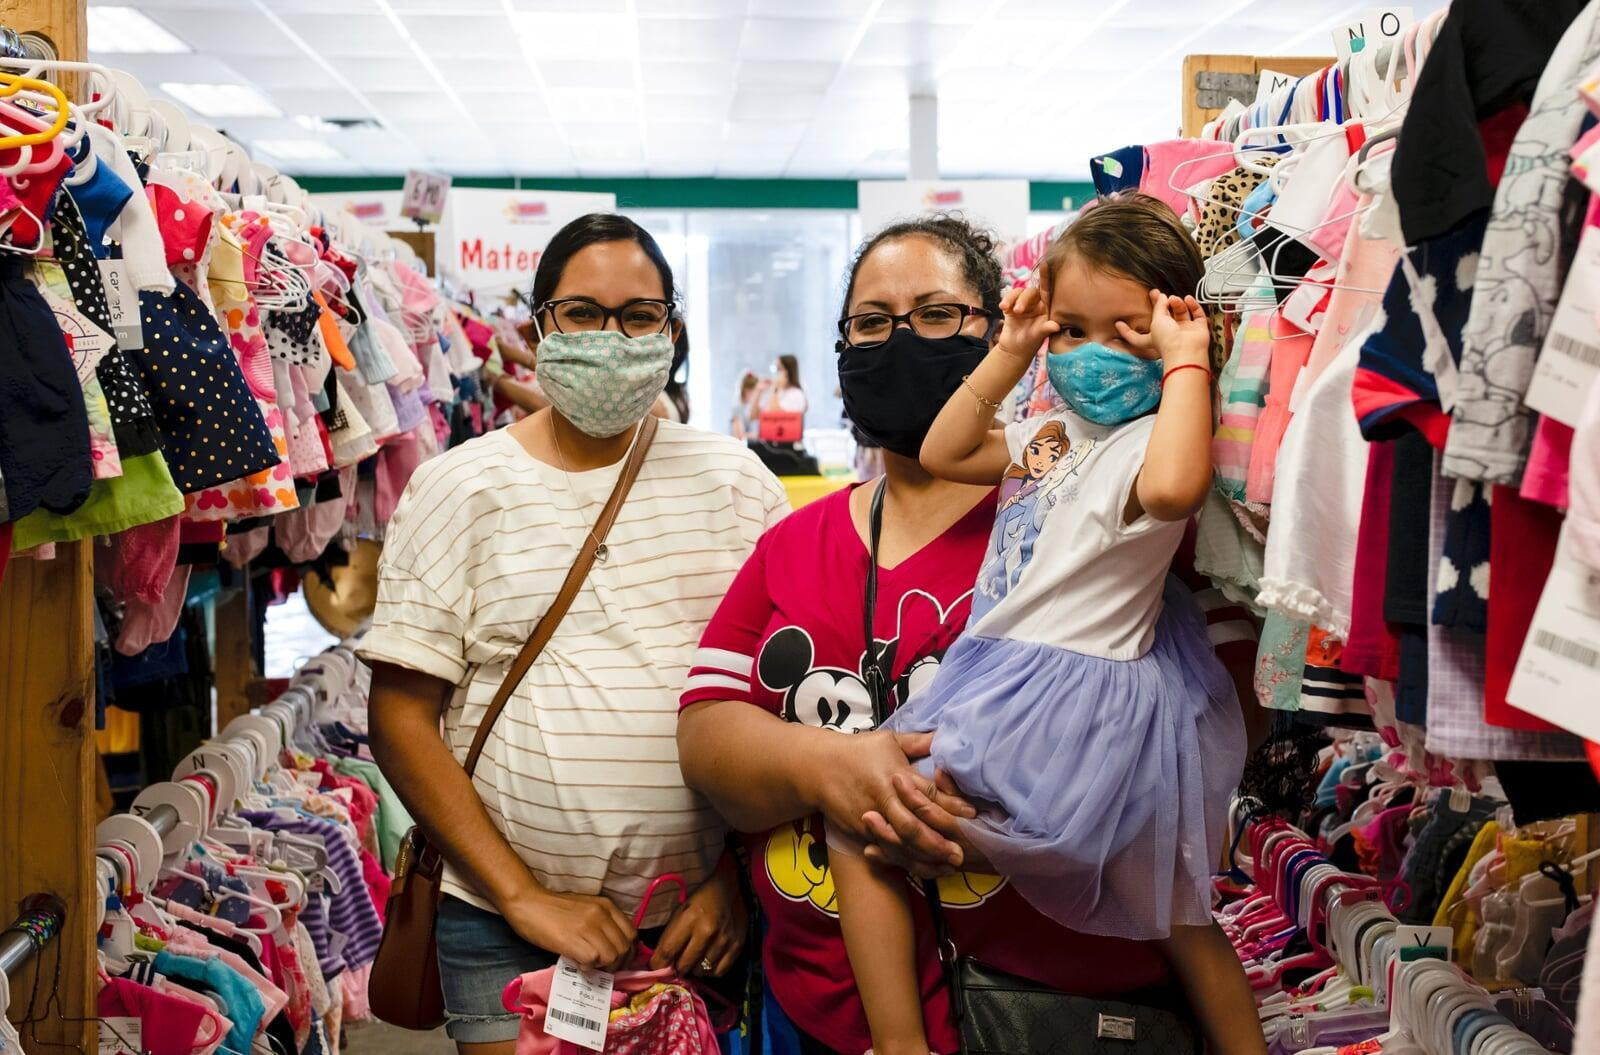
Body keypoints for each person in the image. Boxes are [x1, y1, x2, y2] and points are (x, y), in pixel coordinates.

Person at [677, 213, 1263, 1055]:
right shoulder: (1039, 450)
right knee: (879, 833)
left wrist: (1185, 362)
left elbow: (1227, 676)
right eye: (872, 322)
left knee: (1174, 910)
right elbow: (705, 732)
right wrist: (831, 766)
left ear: (992, 311)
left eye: (937, 314)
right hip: (811, 1013)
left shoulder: (1130, 465)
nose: (901, 341)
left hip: (1063, 1007)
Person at [359, 213, 790, 1055]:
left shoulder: (737, 484)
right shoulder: (460, 488)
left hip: (695, 930)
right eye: (582, 313)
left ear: (671, 331)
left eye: (638, 316)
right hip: (501, 922)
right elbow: (401, 718)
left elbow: (779, 709)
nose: (610, 336)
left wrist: (733, 879)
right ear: (538, 324)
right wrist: (523, 896)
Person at [731, 371, 760, 439]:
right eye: (752, 390)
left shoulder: (755, 408)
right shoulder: (737, 408)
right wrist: (760, 435)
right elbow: (739, 436)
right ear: (744, 390)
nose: (754, 393)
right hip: (740, 446)